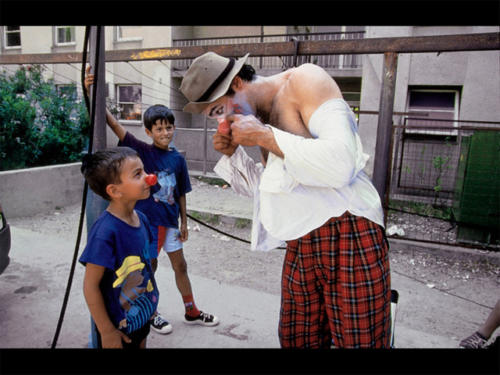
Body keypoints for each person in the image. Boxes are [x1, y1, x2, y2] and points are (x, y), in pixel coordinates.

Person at [180, 52, 392, 348]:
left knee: (360, 339)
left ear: (238, 83)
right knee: (296, 337)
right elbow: (272, 189)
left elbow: (342, 163)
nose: (223, 121)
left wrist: (266, 137)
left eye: (219, 110)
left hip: (350, 228)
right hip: (301, 236)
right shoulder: (259, 118)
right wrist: (234, 155)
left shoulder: (305, 81)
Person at [85, 68, 219, 335]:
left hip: (170, 223)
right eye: (159, 129)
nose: (165, 132)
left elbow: (181, 192)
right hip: (150, 225)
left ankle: (191, 309)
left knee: (181, 265)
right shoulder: (142, 151)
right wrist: (92, 92)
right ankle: (152, 312)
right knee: (149, 268)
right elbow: (113, 124)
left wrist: (183, 222)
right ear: (149, 131)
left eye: (169, 127)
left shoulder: (177, 159)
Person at [79, 147, 159, 348]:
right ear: (115, 191)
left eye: (144, 170)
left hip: (142, 313)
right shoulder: (105, 233)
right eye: (138, 174)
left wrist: (149, 303)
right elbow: (90, 286)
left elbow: (148, 263)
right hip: (118, 325)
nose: (149, 177)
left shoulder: (142, 219)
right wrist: (107, 331)